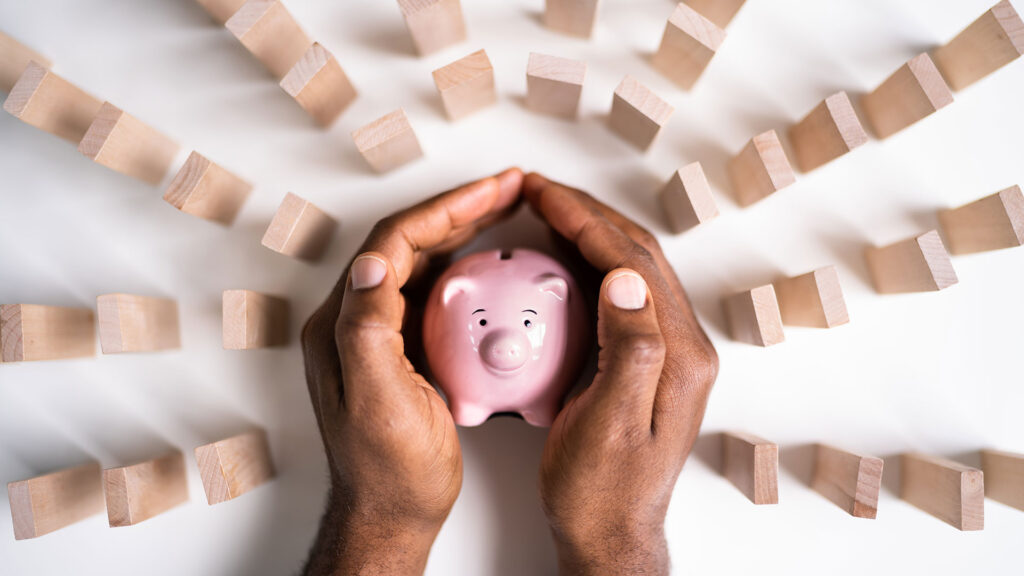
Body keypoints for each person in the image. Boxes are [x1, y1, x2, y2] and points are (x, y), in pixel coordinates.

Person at [300, 168, 719, 575]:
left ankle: (533, 403)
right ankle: (470, 404)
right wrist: (618, 537)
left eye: (528, 322)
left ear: (556, 297)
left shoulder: (557, 290)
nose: (504, 342)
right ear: (455, 297)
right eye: (480, 321)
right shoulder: (454, 290)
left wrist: (382, 525)